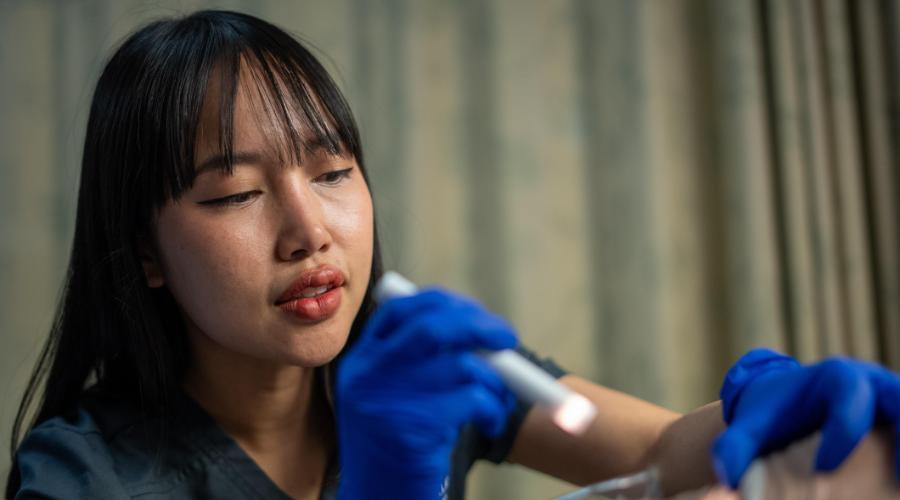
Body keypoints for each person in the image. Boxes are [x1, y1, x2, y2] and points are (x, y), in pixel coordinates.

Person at [6, 10, 900, 500]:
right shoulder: (82, 479)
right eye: (235, 193)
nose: (308, 229)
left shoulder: (422, 373)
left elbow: (661, 453)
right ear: (145, 253)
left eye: (332, 171)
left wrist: (765, 407)